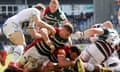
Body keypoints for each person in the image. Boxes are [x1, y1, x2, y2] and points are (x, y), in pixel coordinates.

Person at [2, 3, 56, 68]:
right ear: (42, 10)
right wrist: (50, 27)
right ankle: (12, 62)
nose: (43, 16)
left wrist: (45, 36)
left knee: (20, 45)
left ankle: (5, 52)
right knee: (21, 44)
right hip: (13, 24)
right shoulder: (35, 11)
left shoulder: (31, 20)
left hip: (7, 26)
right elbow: (38, 23)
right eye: (43, 13)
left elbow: (34, 35)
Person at [9, 24, 73, 72]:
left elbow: (67, 46)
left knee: (27, 70)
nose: (67, 36)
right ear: (62, 29)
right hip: (35, 49)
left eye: (68, 35)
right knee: (19, 64)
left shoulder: (66, 41)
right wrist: (49, 43)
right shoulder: (54, 31)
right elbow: (43, 30)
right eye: (66, 34)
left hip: (43, 56)